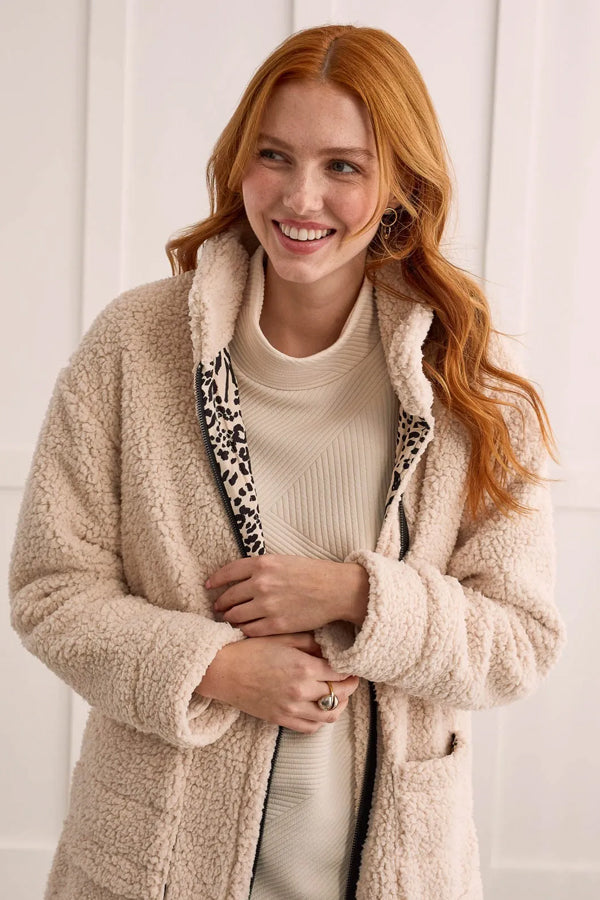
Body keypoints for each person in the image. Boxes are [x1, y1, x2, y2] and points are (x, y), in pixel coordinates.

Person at [9, 23, 566, 900]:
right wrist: (215, 668)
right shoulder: (135, 344)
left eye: (344, 166)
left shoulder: (465, 374)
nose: (302, 197)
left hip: (393, 872)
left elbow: (520, 640)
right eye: (275, 156)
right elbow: (51, 588)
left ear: (400, 184)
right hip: (153, 866)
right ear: (241, 163)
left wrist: (357, 596)